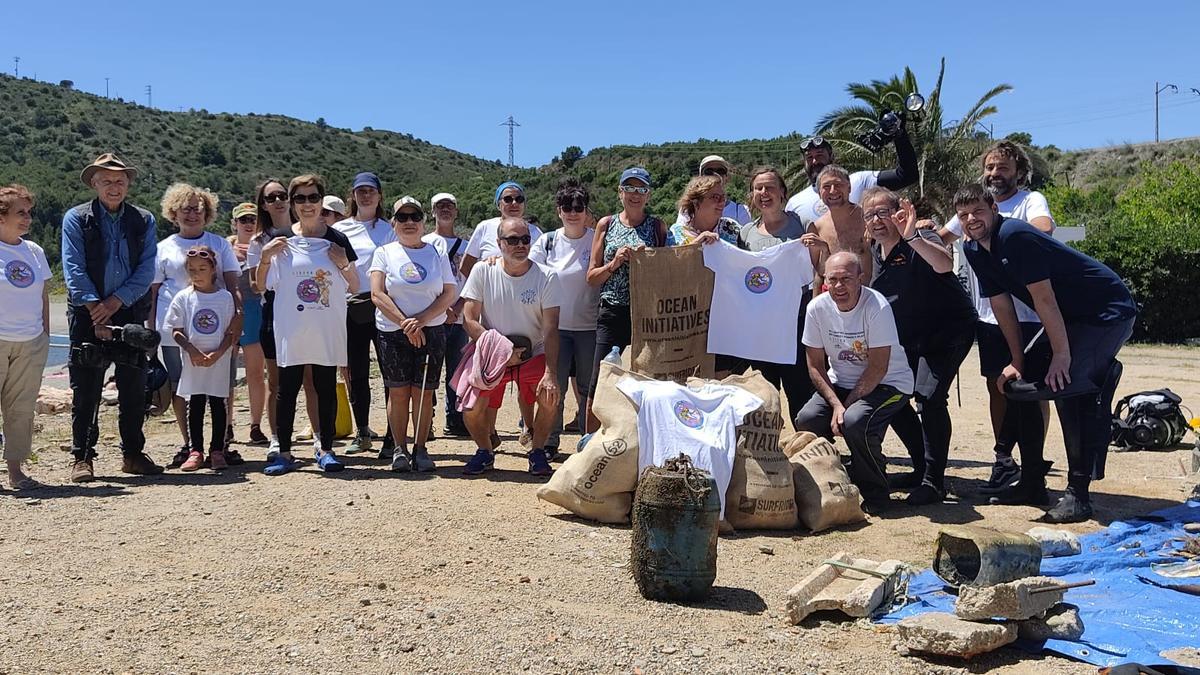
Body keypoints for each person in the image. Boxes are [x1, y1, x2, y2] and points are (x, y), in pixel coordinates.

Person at [957, 184, 1136, 522]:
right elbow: (1001, 304)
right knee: (1020, 386)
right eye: (963, 215)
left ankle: (1078, 494)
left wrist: (1062, 356)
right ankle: (1032, 482)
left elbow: (1044, 300)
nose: (971, 219)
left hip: (1105, 312)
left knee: (1068, 387)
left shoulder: (1014, 236)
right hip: (1070, 318)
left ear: (994, 209)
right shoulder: (973, 248)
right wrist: (1017, 361)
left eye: (978, 211)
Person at [929, 141, 1057, 494]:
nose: (994, 174)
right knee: (997, 386)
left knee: (1032, 391)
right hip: (990, 315)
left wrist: (1006, 237)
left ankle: (1035, 462)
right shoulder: (974, 208)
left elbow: (1044, 228)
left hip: (1030, 314)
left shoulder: (1030, 201)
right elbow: (941, 239)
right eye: (989, 168)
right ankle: (1004, 461)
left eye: (1001, 168)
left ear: (1018, 170)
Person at [862, 188, 977, 505]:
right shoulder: (875, 251)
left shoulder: (922, 235)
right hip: (909, 337)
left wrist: (912, 235)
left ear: (899, 213)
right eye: (870, 215)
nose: (877, 220)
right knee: (895, 393)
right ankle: (919, 467)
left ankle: (933, 481)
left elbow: (943, 265)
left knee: (929, 397)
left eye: (883, 212)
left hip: (947, 332)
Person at [61, 153, 162, 482]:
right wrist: (95, 307)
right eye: (106, 180)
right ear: (94, 183)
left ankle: (132, 454)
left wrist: (116, 302)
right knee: (85, 387)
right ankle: (83, 457)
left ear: (128, 184)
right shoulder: (76, 218)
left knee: (134, 386)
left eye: (120, 180)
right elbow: (73, 268)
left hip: (129, 309)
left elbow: (146, 268)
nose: (114, 186)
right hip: (86, 312)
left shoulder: (143, 220)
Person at [794, 251, 914, 514]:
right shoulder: (817, 308)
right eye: (832, 279)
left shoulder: (876, 307)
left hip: (890, 383)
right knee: (807, 419)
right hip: (841, 383)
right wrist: (836, 404)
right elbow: (814, 365)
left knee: (855, 422)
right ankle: (829, 479)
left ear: (861, 278)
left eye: (846, 279)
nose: (839, 286)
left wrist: (844, 408)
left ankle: (876, 492)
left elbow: (878, 367)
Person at [256, 175, 358, 475]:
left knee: (325, 388)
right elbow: (262, 286)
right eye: (300, 199)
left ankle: (325, 449)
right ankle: (284, 452)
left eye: (313, 197)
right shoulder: (282, 240)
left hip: (326, 328)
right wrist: (264, 259)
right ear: (292, 203)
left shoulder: (337, 240)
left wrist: (342, 263)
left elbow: (354, 285)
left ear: (321, 200)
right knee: (286, 390)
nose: (307, 204)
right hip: (292, 329)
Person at [149, 183, 241, 469]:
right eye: (185, 209)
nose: (192, 214)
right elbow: (152, 293)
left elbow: (233, 284)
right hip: (175, 330)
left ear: (207, 212)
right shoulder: (163, 248)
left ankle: (219, 445)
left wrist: (237, 322)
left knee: (219, 387)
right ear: (173, 213)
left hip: (216, 328)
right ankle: (190, 444)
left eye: (197, 208)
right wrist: (150, 331)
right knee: (181, 386)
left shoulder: (219, 244)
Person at [460, 217, 561, 476]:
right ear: (499, 243)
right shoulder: (483, 271)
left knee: (550, 396)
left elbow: (550, 329)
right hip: (494, 355)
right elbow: (469, 320)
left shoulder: (547, 276)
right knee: (470, 408)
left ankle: (537, 451)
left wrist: (550, 373)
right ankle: (484, 451)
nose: (520, 245)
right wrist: (501, 350)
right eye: (512, 240)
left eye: (525, 239)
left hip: (533, 354)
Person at [370, 197, 458, 472]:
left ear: (423, 221)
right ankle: (399, 448)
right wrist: (406, 323)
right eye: (403, 217)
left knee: (423, 392)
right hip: (393, 333)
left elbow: (449, 292)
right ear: (394, 223)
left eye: (415, 217)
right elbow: (377, 293)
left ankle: (420, 449)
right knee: (398, 393)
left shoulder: (436, 252)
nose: (409, 222)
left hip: (431, 331)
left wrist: (420, 321)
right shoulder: (384, 253)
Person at [585, 167, 666, 431]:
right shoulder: (605, 225)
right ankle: (588, 446)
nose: (635, 194)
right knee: (600, 381)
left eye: (641, 189)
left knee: (644, 382)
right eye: (629, 188)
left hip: (646, 316)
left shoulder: (657, 227)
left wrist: (649, 260)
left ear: (648, 195)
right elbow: (592, 277)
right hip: (611, 312)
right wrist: (615, 262)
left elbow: (670, 271)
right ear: (620, 192)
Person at [736, 166, 815, 421]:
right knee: (766, 392)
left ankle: (809, 447)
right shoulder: (745, 233)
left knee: (800, 390)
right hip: (762, 327)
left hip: (796, 323)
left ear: (782, 192)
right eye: (758, 188)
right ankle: (770, 453)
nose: (764, 192)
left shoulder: (802, 224)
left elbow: (817, 265)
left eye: (770, 187)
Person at [530, 177, 599, 457]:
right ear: (558, 210)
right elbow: (526, 270)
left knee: (587, 388)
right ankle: (548, 441)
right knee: (553, 386)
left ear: (586, 210)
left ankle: (589, 442)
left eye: (578, 206)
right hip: (554, 328)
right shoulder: (546, 242)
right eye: (567, 206)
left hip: (588, 326)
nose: (573, 211)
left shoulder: (597, 240)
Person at [333, 172, 397, 452]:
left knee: (388, 372)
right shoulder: (341, 229)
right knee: (356, 372)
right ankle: (362, 431)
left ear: (380, 195)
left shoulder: (389, 229)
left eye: (371, 190)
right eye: (360, 190)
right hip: (350, 304)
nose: (366, 195)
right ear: (353, 195)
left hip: (382, 304)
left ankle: (393, 436)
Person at [164, 245, 239, 471]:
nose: (197, 274)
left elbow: (231, 332)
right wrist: (191, 350)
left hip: (219, 360)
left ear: (213, 269)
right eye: (192, 269)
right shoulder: (184, 297)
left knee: (218, 403)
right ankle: (196, 450)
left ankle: (217, 449)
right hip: (194, 361)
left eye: (202, 269)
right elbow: (175, 330)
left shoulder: (225, 298)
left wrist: (218, 353)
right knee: (195, 403)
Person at [0, 185, 51, 490]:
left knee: (20, 408)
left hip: (30, 342)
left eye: (29, 213)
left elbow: (43, 295)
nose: (27, 219)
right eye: (21, 212)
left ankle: (16, 471)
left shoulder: (34, 251)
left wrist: (44, 335)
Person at [784, 130, 917, 228]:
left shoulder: (859, 181)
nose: (814, 161)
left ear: (831, 156)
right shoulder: (795, 203)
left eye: (819, 155)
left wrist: (899, 135)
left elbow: (906, 176)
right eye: (809, 157)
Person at [424, 192, 470, 437]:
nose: (445, 210)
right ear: (432, 212)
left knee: (457, 371)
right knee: (429, 370)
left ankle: (455, 420)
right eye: (440, 206)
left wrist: (458, 307)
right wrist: (441, 310)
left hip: (459, 317)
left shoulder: (467, 247)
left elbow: (473, 281)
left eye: (449, 206)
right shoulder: (424, 242)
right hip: (432, 317)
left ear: (456, 211)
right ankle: (426, 421)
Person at [226, 202, 268, 450]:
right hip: (230, 311)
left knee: (255, 372)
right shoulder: (225, 247)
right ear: (235, 223)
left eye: (253, 219)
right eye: (243, 220)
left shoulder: (263, 246)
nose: (249, 224)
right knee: (227, 375)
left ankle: (255, 425)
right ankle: (228, 425)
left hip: (254, 309)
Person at [806, 165, 873, 289]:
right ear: (819, 193)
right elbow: (820, 275)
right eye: (826, 186)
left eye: (838, 185)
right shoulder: (817, 228)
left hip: (868, 298)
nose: (832, 191)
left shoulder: (868, 219)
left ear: (849, 188)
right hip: (834, 301)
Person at [460, 182, 544, 281]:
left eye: (519, 199)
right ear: (498, 204)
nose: (514, 203)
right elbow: (466, 266)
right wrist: (481, 286)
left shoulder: (536, 232)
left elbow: (541, 266)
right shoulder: (484, 227)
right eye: (508, 199)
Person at [675, 155, 753, 226]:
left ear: (727, 178)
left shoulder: (740, 211)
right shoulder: (688, 208)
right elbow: (680, 237)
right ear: (701, 177)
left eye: (720, 171)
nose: (715, 175)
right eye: (709, 172)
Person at [667, 175, 741, 246]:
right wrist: (696, 244)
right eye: (715, 197)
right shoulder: (676, 235)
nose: (722, 202)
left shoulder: (732, 228)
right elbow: (671, 258)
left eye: (723, 197)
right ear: (696, 202)